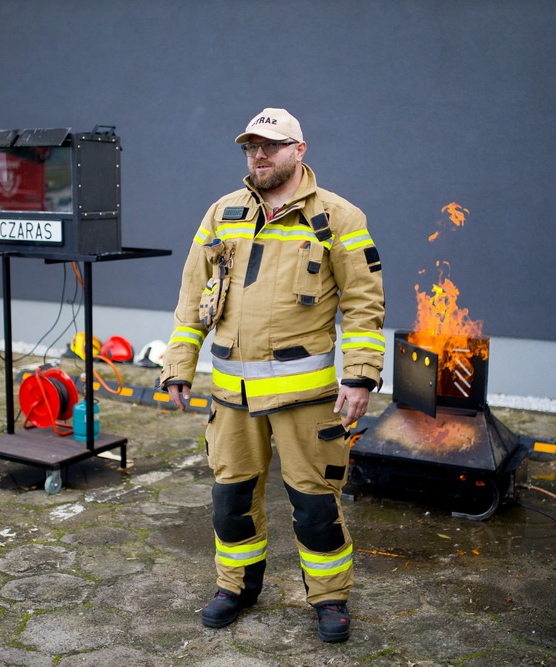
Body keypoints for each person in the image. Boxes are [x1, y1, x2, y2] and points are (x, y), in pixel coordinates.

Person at [159, 108, 385, 643]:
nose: (259, 155)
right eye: (250, 147)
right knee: (231, 500)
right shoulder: (222, 212)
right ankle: (235, 587)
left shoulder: (339, 217)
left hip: (306, 400)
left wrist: (359, 376)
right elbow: (192, 297)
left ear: (299, 150)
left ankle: (330, 599)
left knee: (314, 507)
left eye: (272, 145)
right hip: (231, 398)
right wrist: (179, 365)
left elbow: (363, 303)